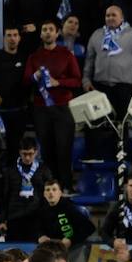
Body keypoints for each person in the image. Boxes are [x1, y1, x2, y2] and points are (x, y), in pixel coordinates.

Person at [23, 20, 82, 189]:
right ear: (41, 34)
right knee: (47, 150)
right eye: (44, 29)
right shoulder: (34, 57)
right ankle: (51, 187)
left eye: (51, 30)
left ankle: (66, 186)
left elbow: (77, 80)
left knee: (63, 149)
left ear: (57, 34)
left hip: (63, 107)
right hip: (41, 109)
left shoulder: (66, 54)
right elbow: (26, 81)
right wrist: (34, 76)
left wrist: (59, 83)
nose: (48, 32)